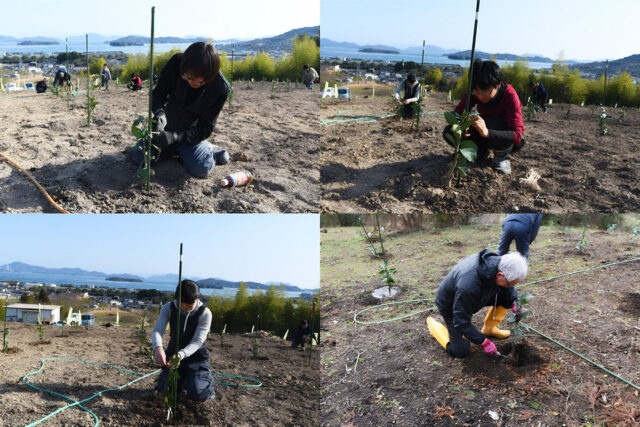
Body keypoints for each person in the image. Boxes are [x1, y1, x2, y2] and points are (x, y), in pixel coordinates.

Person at [129, 42, 230, 179]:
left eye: (196, 81)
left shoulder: (219, 88)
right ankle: (176, 152)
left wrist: (175, 137)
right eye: (186, 77)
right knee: (138, 156)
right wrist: (159, 112)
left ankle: (211, 151)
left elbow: (205, 128)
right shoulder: (177, 63)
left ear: (208, 78)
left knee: (202, 169)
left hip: (189, 137)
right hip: (166, 128)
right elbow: (158, 93)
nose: (190, 82)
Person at [427, 251, 528, 359]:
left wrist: (513, 302)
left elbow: (507, 289)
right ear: (500, 275)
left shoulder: (499, 264)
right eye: (509, 284)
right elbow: (461, 322)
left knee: (506, 298)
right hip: (450, 305)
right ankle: (434, 326)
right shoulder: (468, 286)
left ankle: (489, 329)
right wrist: (484, 342)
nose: (509, 286)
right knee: (461, 351)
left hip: (476, 294)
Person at [443, 59, 525, 175]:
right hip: (484, 131)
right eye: (476, 92)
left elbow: (517, 135)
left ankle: (501, 157)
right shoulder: (475, 90)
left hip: (505, 136)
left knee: (496, 123)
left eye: (485, 92)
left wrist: (487, 133)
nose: (480, 96)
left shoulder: (509, 95)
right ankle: (479, 152)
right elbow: (458, 113)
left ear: (498, 84)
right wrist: (461, 125)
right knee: (449, 131)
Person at [152, 280, 215, 401]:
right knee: (164, 390)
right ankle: (185, 380)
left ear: (196, 298)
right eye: (182, 303)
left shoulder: (204, 313)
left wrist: (180, 355)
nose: (185, 307)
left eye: (189, 304)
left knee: (197, 394)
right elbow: (157, 331)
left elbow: (197, 341)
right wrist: (158, 349)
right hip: (172, 356)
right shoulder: (168, 308)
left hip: (196, 359)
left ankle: (205, 380)